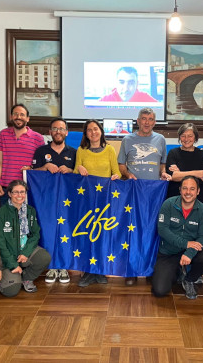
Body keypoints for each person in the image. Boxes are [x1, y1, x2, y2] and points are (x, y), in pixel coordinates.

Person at [117, 107, 169, 285]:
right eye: (144, 118)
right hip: (132, 193)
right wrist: (127, 174)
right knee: (131, 230)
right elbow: (121, 165)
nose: (147, 122)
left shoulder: (160, 139)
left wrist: (163, 173)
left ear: (154, 122)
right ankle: (131, 271)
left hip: (154, 194)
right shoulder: (127, 139)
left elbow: (162, 164)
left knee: (152, 231)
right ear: (137, 121)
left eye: (150, 119)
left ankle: (148, 270)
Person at [74, 119, 121, 287]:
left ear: (101, 131)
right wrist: (78, 168)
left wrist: (115, 177)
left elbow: (117, 173)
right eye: (89, 130)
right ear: (85, 134)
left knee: (101, 236)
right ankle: (87, 271)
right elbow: (74, 175)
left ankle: (100, 270)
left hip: (104, 202)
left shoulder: (109, 150)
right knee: (87, 236)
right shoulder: (81, 150)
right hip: (86, 202)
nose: (93, 132)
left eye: (96, 129)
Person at [152, 176, 203, 300]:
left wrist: (189, 253)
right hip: (168, 252)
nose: (188, 192)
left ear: (198, 191)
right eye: (185, 188)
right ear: (180, 190)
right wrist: (186, 244)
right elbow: (162, 230)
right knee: (159, 290)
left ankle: (189, 279)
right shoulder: (168, 204)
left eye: (192, 189)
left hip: (190, 252)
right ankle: (178, 271)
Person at [33, 118, 77, 284]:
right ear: (50, 132)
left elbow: (79, 177)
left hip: (67, 202)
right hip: (46, 202)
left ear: (66, 132)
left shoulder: (73, 152)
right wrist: (45, 167)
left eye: (61, 129)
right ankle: (51, 266)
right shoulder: (40, 151)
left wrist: (71, 170)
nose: (58, 132)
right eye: (55, 129)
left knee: (66, 231)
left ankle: (63, 266)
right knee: (48, 231)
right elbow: (31, 173)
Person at [0, 180, 51, 296]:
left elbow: (35, 234)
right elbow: (0, 243)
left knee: (44, 257)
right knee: (11, 291)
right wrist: (12, 264)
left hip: (24, 252)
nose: (20, 195)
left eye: (22, 192)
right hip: (8, 257)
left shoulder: (30, 211)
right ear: (9, 194)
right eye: (16, 192)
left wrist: (25, 252)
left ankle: (26, 278)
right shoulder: (0, 214)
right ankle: (0, 277)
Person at [0, 103, 45, 206]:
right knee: (6, 221)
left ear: (27, 118)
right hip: (6, 189)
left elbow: (40, 166)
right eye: (15, 114)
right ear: (11, 117)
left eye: (22, 114)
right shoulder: (3, 134)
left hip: (27, 189)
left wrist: (30, 168)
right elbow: (0, 160)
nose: (18, 117)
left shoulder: (38, 138)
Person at [165, 123, 203, 202]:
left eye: (190, 136)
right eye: (183, 136)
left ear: (195, 137)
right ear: (179, 137)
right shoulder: (173, 153)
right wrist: (196, 173)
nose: (186, 139)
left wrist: (180, 174)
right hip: (175, 198)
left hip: (197, 200)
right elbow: (173, 177)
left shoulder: (202, 154)